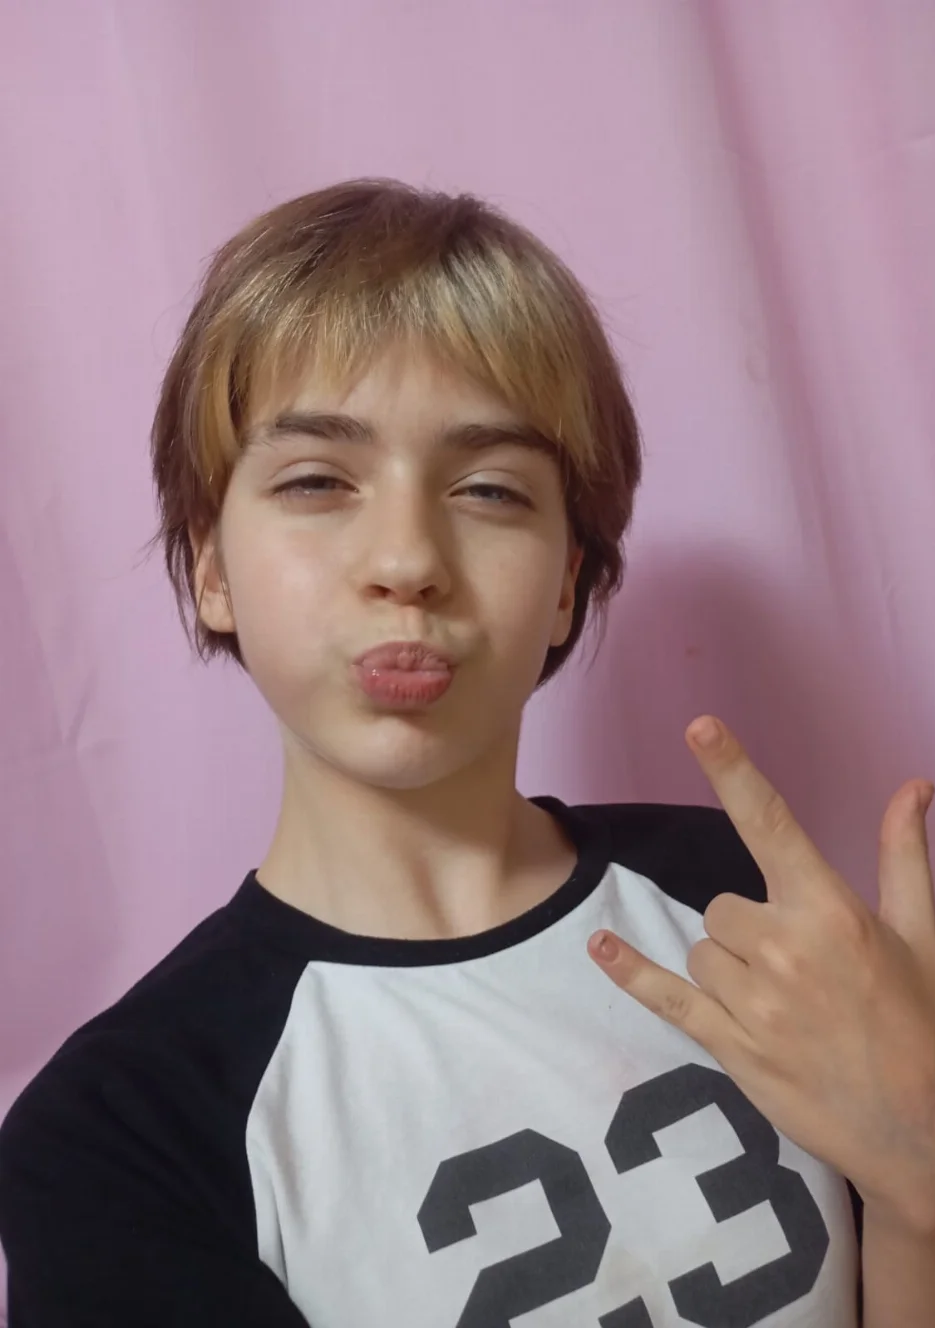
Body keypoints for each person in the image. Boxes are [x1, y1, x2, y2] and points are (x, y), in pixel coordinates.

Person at [0, 179, 865, 1326]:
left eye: (490, 489)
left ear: (566, 582)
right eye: (317, 481)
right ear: (210, 568)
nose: (407, 560)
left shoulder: (742, 900)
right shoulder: (119, 1129)